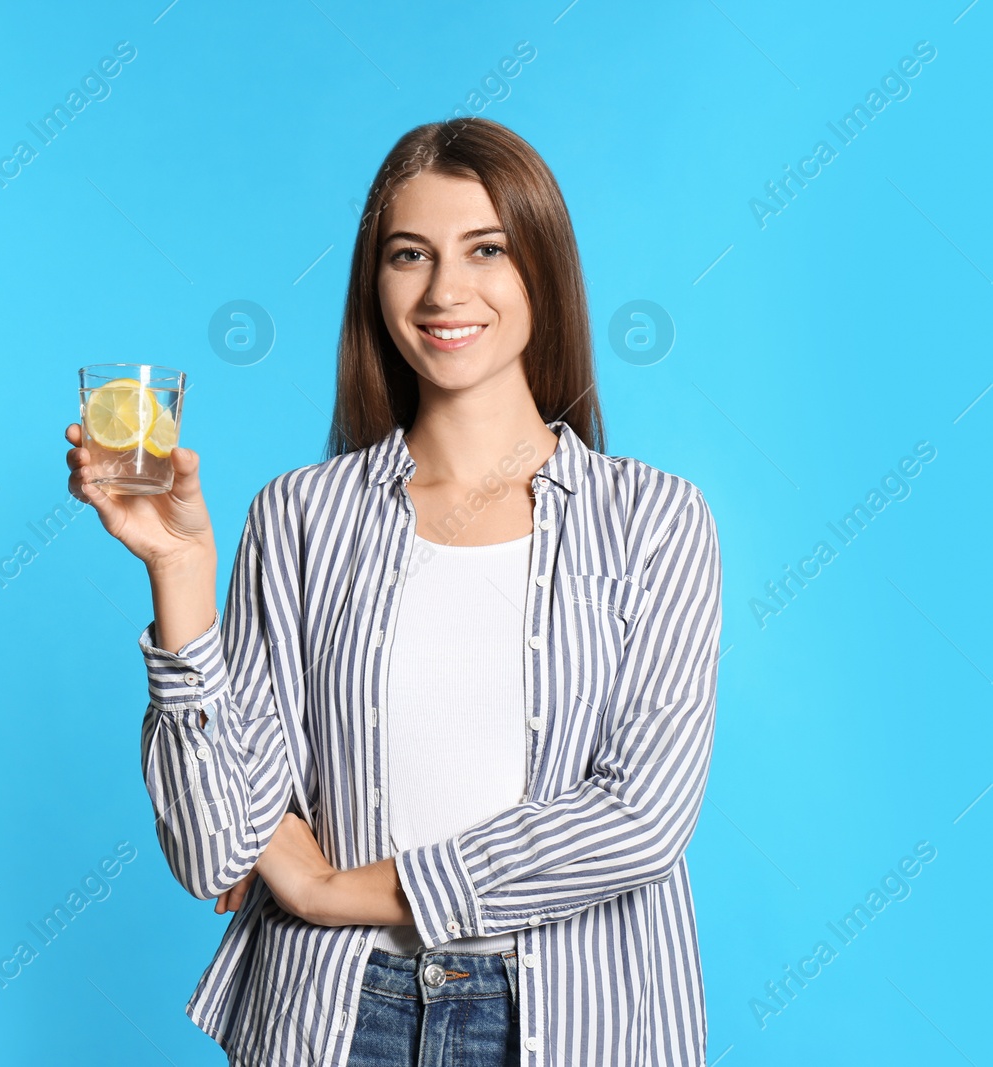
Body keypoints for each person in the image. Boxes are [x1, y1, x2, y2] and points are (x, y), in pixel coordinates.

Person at [65, 116, 723, 1067]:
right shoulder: (301, 517)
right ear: (374, 286)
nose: (446, 290)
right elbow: (214, 847)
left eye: (485, 250)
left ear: (543, 267)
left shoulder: (655, 521)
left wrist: (335, 887)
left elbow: (638, 822)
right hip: (334, 1017)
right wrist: (181, 575)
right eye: (409, 254)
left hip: (582, 1022)